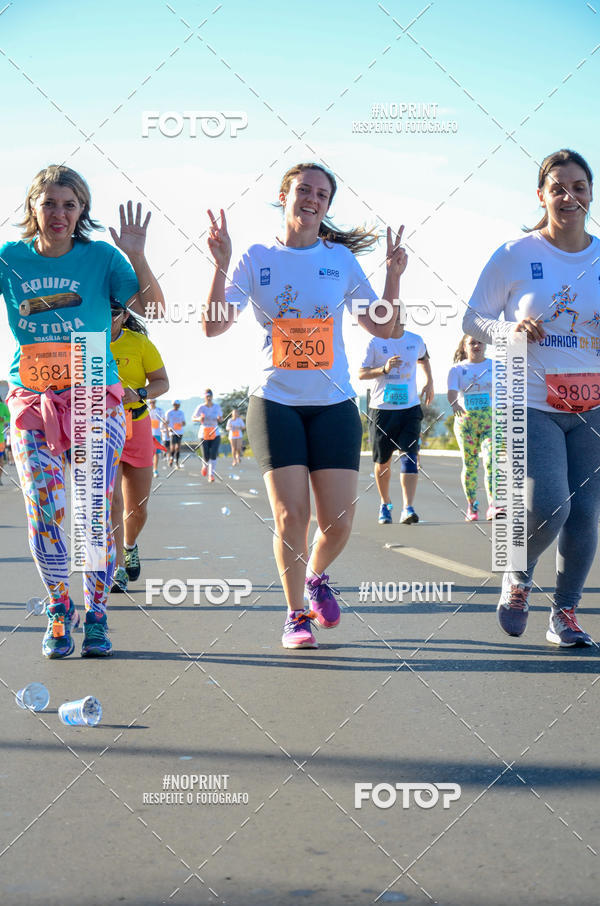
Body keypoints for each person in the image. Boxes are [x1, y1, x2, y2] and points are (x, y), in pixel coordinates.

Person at [203, 161, 407, 649]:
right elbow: (213, 325)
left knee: (337, 524)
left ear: (327, 205)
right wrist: (220, 262)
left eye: (321, 194)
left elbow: (385, 328)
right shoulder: (255, 256)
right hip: (274, 402)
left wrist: (393, 277)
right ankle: (296, 614)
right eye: (303, 190)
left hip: (334, 403)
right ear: (284, 195)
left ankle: (315, 577)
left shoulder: (339, 260)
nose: (312, 199)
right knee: (291, 515)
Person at [1, 165, 164, 657]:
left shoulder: (102, 258)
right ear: (33, 207)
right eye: (49, 203)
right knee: (43, 509)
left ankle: (95, 613)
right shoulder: (10, 258)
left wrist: (136, 255)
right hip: (33, 398)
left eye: (69, 205)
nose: (59, 214)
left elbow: (153, 310)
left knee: (93, 511)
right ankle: (57, 608)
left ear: (81, 212)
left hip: (97, 391)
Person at [463, 148, 598, 647]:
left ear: (590, 193)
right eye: (558, 188)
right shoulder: (516, 254)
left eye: (579, 187)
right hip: (531, 401)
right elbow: (472, 319)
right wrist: (508, 331)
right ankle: (518, 574)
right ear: (541, 196)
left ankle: (564, 616)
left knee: (586, 514)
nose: (569, 197)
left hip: (593, 404)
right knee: (550, 508)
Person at [110, 301, 169, 593]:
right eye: (103, 312)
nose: (108, 319)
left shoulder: (139, 343)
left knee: (137, 509)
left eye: (114, 314)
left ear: (124, 315)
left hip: (137, 424)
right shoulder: (86, 340)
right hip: (102, 428)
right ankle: (118, 566)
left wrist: (140, 392)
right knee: (112, 502)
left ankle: (129, 545)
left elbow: (162, 382)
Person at [358, 306, 433, 524]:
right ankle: (385, 503)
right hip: (382, 410)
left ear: (404, 318)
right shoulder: (375, 342)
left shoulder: (416, 340)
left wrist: (429, 381)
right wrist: (383, 369)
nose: (394, 320)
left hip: (409, 409)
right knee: (383, 463)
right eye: (389, 317)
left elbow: (424, 358)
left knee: (410, 457)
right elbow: (361, 373)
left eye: (397, 316)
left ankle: (408, 508)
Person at [447, 335, 498, 521]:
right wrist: (454, 403)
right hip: (466, 422)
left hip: (489, 421)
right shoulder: (458, 369)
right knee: (470, 465)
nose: (476, 345)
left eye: (480, 342)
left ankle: (493, 505)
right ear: (465, 346)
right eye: (472, 343)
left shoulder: (495, 365)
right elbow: (452, 391)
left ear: (485, 345)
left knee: (491, 461)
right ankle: (472, 505)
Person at [192, 389, 223, 481]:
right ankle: (204, 465)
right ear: (204, 397)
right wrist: (199, 418)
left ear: (212, 397)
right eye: (207, 396)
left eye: (210, 396)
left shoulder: (217, 407)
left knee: (213, 454)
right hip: (204, 432)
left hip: (215, 432)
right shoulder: (201, 407)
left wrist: (219, 419)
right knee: (206, 455)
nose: (208, 398)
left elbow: (221, 419)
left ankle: (211, 474)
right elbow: (193, 418)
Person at [148, 398, 166, 477]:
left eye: (153, 402)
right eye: (151, 402)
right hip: (147, 434)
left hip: (157, 434)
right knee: (148, 453)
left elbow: (164, 420)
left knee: (156, 453)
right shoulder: (146, 409)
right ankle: (148, 469)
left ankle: (155, 470)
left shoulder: (160, 410)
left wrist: (164, 428)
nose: (152, 403)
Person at [165, 400, 186, 468]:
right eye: (175, 404)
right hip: (172, 432)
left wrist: (182, 424)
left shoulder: (181, 412)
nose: (177, 406)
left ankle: (176, 461)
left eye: (178, 405)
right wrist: (168, 429)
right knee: (173, 447)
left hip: (179, 432)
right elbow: (166, 422)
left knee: (178, 447)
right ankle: (171, 458)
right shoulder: (169, 412)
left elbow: (184, 422)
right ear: (173, 405)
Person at [0, 393, 9, 485]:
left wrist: (3, 419)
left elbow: (10, 417)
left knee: (0, 459)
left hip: (0, 438)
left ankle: (0, 477)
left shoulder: (2, 406)